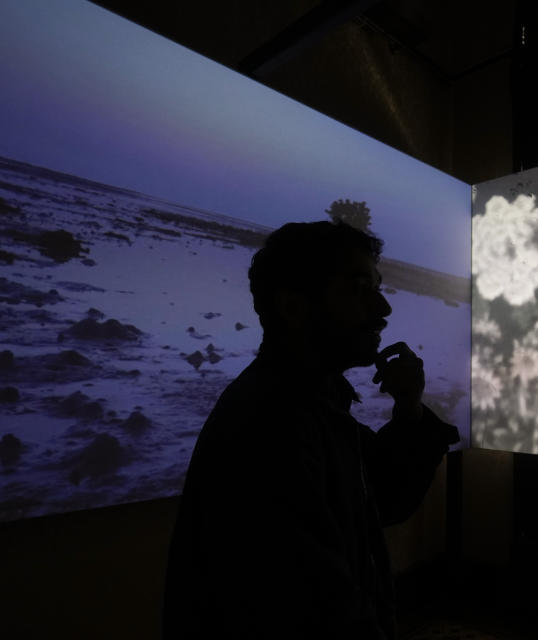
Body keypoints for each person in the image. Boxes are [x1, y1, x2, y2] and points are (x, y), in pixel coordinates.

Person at [162, 221, 459, 638]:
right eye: (359, 289)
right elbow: (316, 610)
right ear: (293, 307)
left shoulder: (311, 402)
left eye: (376, 289)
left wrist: (408, 407)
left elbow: (384, 499)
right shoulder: (270, 423)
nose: (382, 309)